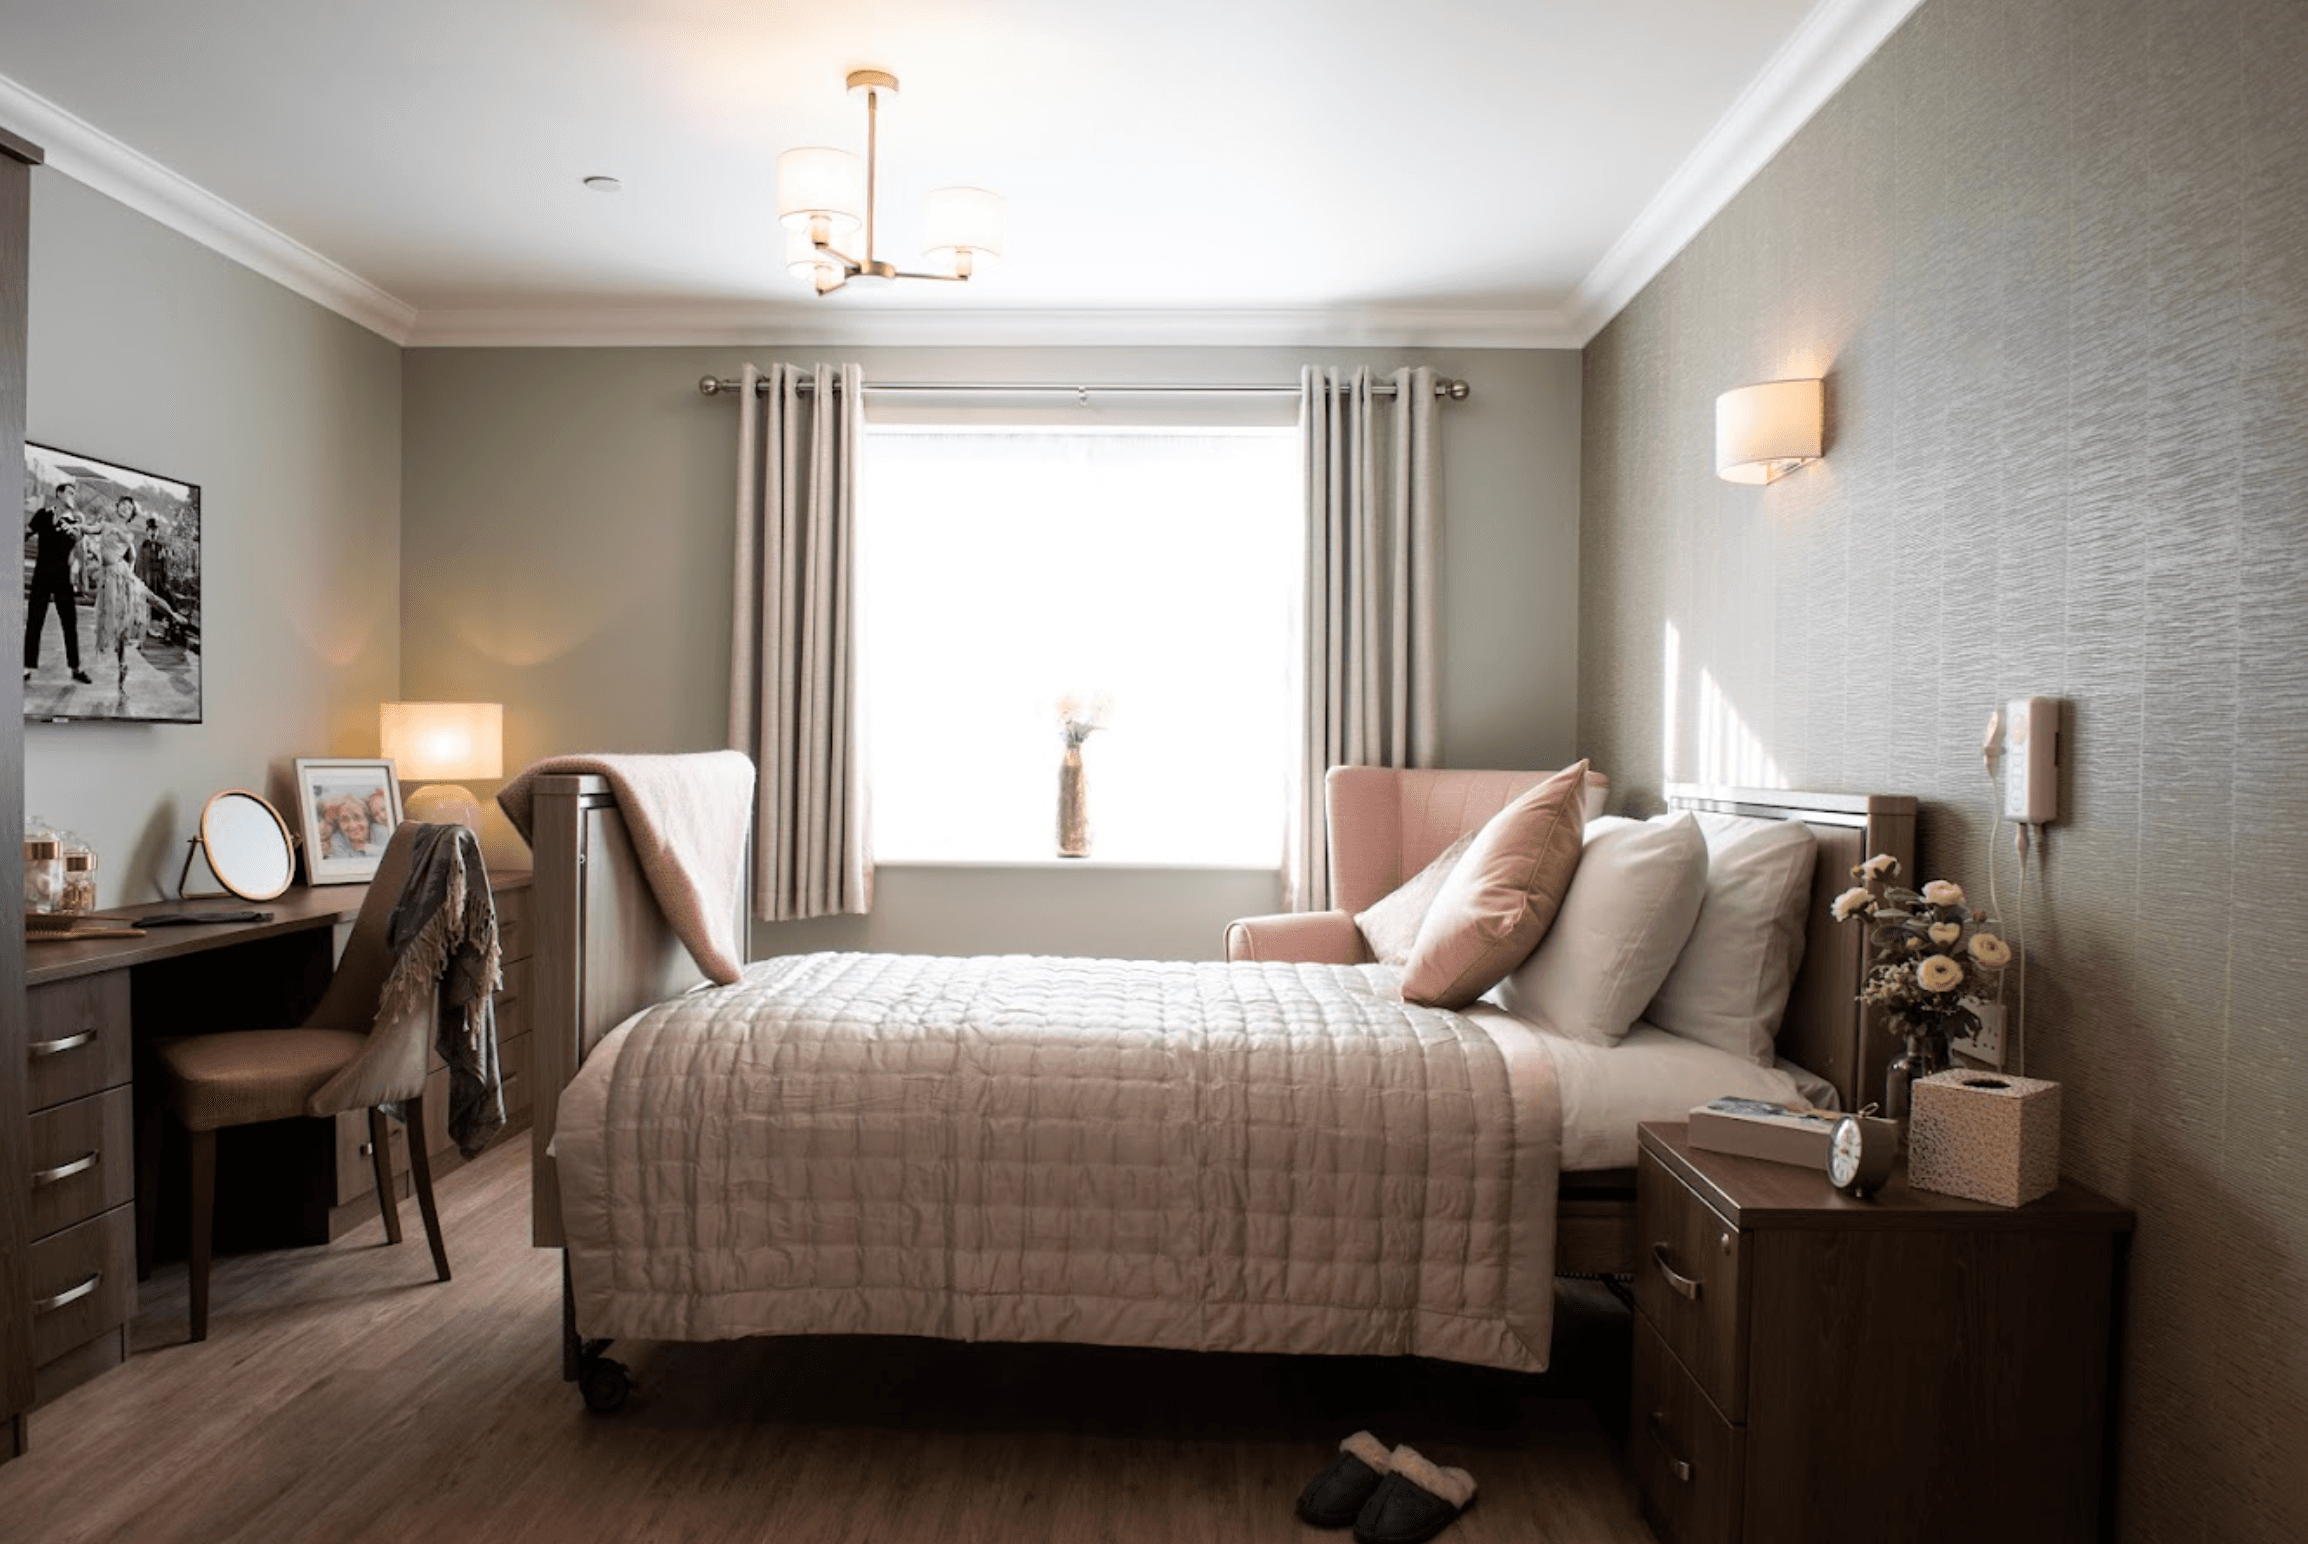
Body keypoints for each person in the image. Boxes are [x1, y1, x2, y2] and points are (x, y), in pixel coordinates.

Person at [90, 498, 184, 694]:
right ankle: (122, 663)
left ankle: (172, 615)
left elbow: (132, 557)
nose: (125, 508)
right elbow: (102, 543)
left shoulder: (132, 537)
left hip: (127, 577)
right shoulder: (108, 528)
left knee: (149, 598)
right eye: (123, 504)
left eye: (130, 507)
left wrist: (130, 573)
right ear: (117, 507)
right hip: (111, 581)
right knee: (118, 626)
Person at [24, 481, 93, 684]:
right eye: (70, 492)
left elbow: (79, 554)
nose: (73, 495)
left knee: (69, 623)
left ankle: (76, 668)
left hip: (63, 578)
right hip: (41, 575)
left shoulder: (75, 522)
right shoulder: (42, 514)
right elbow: (25, 534)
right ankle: (26, 667)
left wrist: (78, 537)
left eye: (75, 493)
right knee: (35, 621)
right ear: (59, 494)